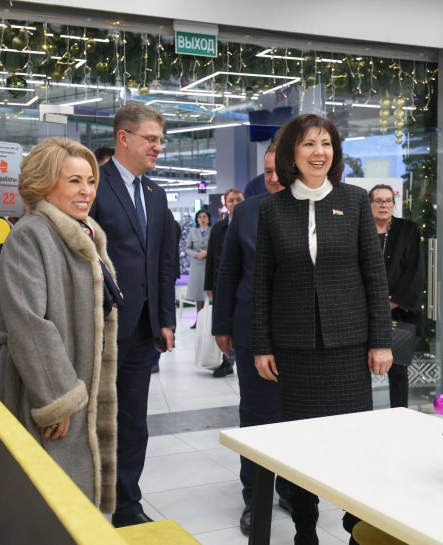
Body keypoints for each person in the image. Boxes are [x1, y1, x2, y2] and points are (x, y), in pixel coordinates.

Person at [252, 114, 392, 545]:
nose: (319, 152)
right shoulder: (272, 209)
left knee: (353, 444)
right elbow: (263, 282)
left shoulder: (354, 201)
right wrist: (261, 344)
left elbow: (375, 277)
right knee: (301, 448)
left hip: (348, 348)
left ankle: (356, 528)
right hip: (295, 350)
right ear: (292, 153)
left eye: (326, 144)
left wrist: (381, 341)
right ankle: (305, 531)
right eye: (309, 144)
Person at [0, 137, 119, 513]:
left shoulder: (83, 233)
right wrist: (56, 399)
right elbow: (29, 323)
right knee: (47, 499)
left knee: (74, 494)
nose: (86, 191)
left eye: (90, 181)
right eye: (74, 181)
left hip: (80, 377)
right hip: (49, 386)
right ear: (46, 184)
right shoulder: (32, 234)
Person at [89, 102, 176, 527]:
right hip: (103, 325)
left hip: (143, 328)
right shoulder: (94, 186)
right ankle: (87, 502)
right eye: (151, 139)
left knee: (133, 421)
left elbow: (162, 262)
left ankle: (126, 504)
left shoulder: (156, 195)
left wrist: (166, 319)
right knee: (93, 419)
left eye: (160, 140)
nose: (158, 147)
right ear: (123, 138)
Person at [212, 142, 290, 535]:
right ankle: (254, 498)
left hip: (299, 334)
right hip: (250, 329)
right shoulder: (245, 212)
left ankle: (293, 490)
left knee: (297, 417)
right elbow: (229, 271)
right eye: (267, 170)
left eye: (279, 169)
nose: (272, 177)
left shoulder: (316, 210)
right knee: (257, 417)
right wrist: (222, 325)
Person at [369, 184, 424, 408]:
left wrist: (393, 302)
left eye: (388, 200)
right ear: (369, 204)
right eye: (378, 200)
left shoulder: (408, 230)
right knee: (360, 369)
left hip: (398, 312)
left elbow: (415, 271)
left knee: (398, 370)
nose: (384, 205)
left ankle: (400, 413)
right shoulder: (361, 229)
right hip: (364, 312)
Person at [205, 188, 244, 377]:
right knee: (223, 323)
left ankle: (237, 359)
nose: (235, 203)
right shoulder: (218, 229)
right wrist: (208, 285)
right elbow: (211, 258)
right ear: (225, 204)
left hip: (244, 284)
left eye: (238, 200)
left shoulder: (252, 224)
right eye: (231, 200)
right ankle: (227, 359)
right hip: (221, 284)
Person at [185, 208, 211, 325]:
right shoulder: (192, 232)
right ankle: (199, 321)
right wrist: (196, 255)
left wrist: (207, 253)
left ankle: (209, 322)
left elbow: (218, 247)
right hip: (196, 266)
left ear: (208, 218)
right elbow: (187, 248)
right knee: (198, 294)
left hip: (209, 265)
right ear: (197, 220)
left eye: (204, 216)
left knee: (209, 294)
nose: (202, 219)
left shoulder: (214, 231)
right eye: (200, 217)